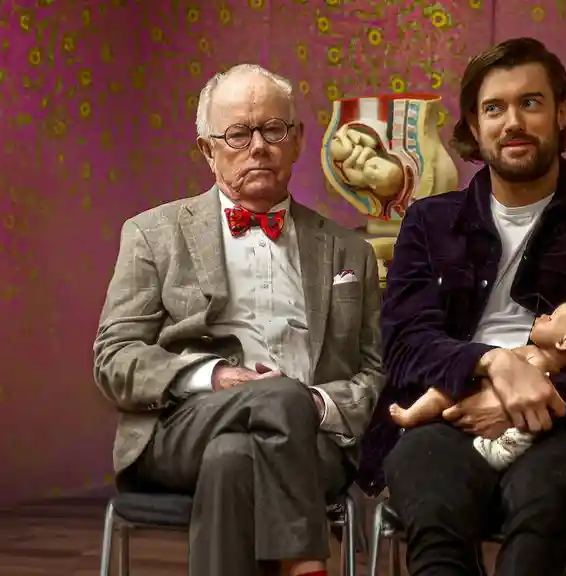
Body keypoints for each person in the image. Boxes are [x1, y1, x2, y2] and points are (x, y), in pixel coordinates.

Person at [357, 37, 566, 576]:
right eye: (494, 108)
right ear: (475, 125)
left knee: (549, 504)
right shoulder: (429, 222)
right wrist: (492, 364)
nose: (512, 122)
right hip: (443, 416)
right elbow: (404, 345)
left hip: (565, 420)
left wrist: (522, 399)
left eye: (530, 103)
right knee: (435, 508)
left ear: (562, 111)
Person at [93, 64, 385, 576]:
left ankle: (298, 552)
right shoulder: (152, 235)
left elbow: (373, 369)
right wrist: (213, 376)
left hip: (312, 437)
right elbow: (114, 360)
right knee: (277, 398)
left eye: (273, 130)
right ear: (208, 150)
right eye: (238, 134)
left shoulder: (350, 251)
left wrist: (313, 403)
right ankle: (304, 561)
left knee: (234, 456)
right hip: (184, 426)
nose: (259, 147)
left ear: (297, 140)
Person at [387, 302, 566, 470]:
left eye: (551, 318)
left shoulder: (536, 359)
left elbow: (518, 383)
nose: (543, 316)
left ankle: (410, 416)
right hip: (492, 402)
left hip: (491, 401)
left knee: (439, 393)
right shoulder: (547, 365)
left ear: (563, 342)